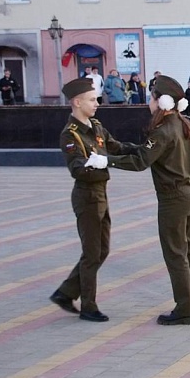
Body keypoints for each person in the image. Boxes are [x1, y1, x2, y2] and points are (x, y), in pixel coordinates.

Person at [88, 76, 190, 325]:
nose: (150, 102)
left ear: (162, 101)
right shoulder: (183, 124)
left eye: (152, 97)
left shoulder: (163, 129)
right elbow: (147, 150)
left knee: (175, 254)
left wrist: (106, 161)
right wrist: (121, 149)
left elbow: (141, 161)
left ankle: (185, 310)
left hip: (174, 199)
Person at [50, 78, 138, 322]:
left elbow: (116, 146)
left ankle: (65, 292)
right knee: (91, 253)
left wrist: (142, 149)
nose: (97, 103)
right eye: (92, 100)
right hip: (87, 195)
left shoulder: (96, 126)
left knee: (102, 249)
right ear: (77, 103)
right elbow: (77, 168)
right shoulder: (70, 135)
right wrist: (99, 163)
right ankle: (88, 306)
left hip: (100, 193)